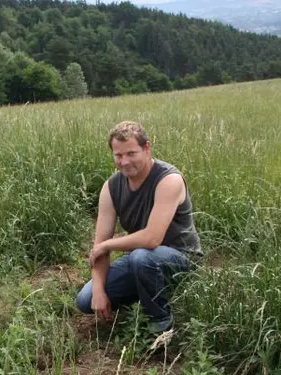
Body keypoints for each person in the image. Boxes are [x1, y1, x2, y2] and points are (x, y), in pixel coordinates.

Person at [75, 121, 202, 333]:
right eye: (118, 155)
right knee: (85, 300)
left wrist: (108, 245)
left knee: (141, 256)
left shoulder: (169, 179)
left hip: (182, 257)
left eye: (131, 153)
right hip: (143, 261)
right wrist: (99, 290)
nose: (124, 162)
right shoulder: (111, 187)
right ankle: (147, 291)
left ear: (146, 148)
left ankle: (161, 324)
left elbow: (152, 239)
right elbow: (99, 246)